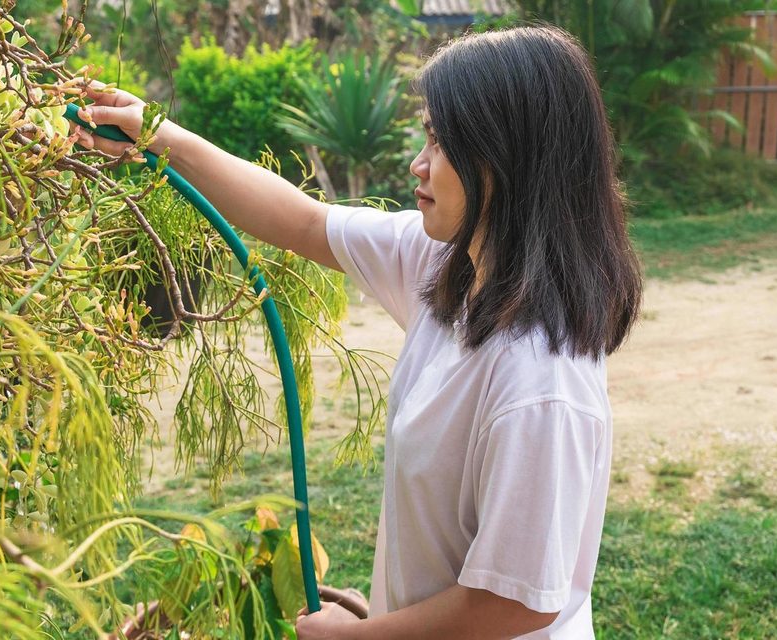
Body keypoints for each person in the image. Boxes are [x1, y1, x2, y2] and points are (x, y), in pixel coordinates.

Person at [73, 24, 642, 640]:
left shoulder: (540, 382)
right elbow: (306, 222)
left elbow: (518, 603)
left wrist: (357, 637)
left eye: (440, 142)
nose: (417, 163)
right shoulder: (451, 264)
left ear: (505, 160)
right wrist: (157, 136)